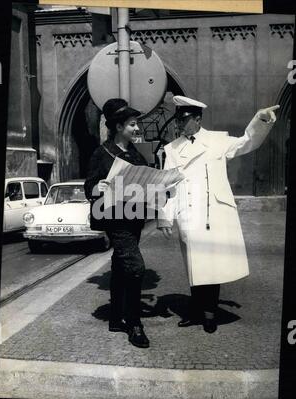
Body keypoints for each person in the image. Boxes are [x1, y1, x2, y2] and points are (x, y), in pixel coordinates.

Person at [157, 95, 279, 333]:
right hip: (188, 213)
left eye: (184, 119)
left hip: (213, 214)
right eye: (178, 120)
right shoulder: (171, 149)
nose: (179, 125)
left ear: (197, 120)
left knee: (211, 267)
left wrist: (260, 119)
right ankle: (195, 312)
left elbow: (246, 142)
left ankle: (209, 314)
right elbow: (167, 186)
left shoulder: (216, 141)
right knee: (194, 267)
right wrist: (165, 216)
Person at [84, 98, 149, 348]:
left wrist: (161, 186)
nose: (137, 129)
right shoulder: (102, 154)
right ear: (119, 126)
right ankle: (134, 324)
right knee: (135, 267)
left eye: (136, 124)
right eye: (132, 124)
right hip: (115, 220)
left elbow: (146, 184)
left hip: (134, 219)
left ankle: (115, 318)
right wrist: (95, 186)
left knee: (121, 266)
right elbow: (89, 184)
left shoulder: (136, 155)